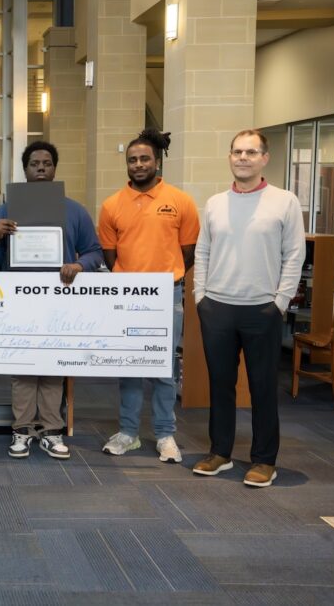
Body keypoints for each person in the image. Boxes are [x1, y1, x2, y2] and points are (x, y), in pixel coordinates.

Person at [192, 129, 305, 488]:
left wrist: (280, 302)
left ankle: (264, 460)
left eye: (251, 152)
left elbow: (294, 255)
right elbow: (203, 252)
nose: (243, 157)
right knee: (220, 384)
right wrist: (201, 297)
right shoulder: (215, 203)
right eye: (237, 151)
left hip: (262, 310)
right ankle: (220, 452)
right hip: (218, 308)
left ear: (264, 158)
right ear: (230, 157)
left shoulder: (284, 201)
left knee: (262, 387)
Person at [0, 141, 103, 460]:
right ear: (26, 170)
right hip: (19, 301)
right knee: (22, 367)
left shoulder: (74, 210)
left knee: (52, 366)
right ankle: (21, 431)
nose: (41, 168)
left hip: (58, 300)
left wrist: (79, 265)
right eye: (35, 164)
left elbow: (94, 252)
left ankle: (50, 431)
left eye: (47, 163)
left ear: (55, 169)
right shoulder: (6, 211)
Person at [97, 129, 199, 463]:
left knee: (164, 366)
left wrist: (161, 278)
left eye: (144, 159)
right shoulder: (112, 205)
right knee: (129, 366)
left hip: (167, 292)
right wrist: (132, 280)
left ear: (157, 161)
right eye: (132, 160)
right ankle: (128, 433)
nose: (138, 165)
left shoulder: (180, 201)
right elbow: (111, 257)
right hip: (126, 294)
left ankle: (165, 434)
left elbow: (188, 253)